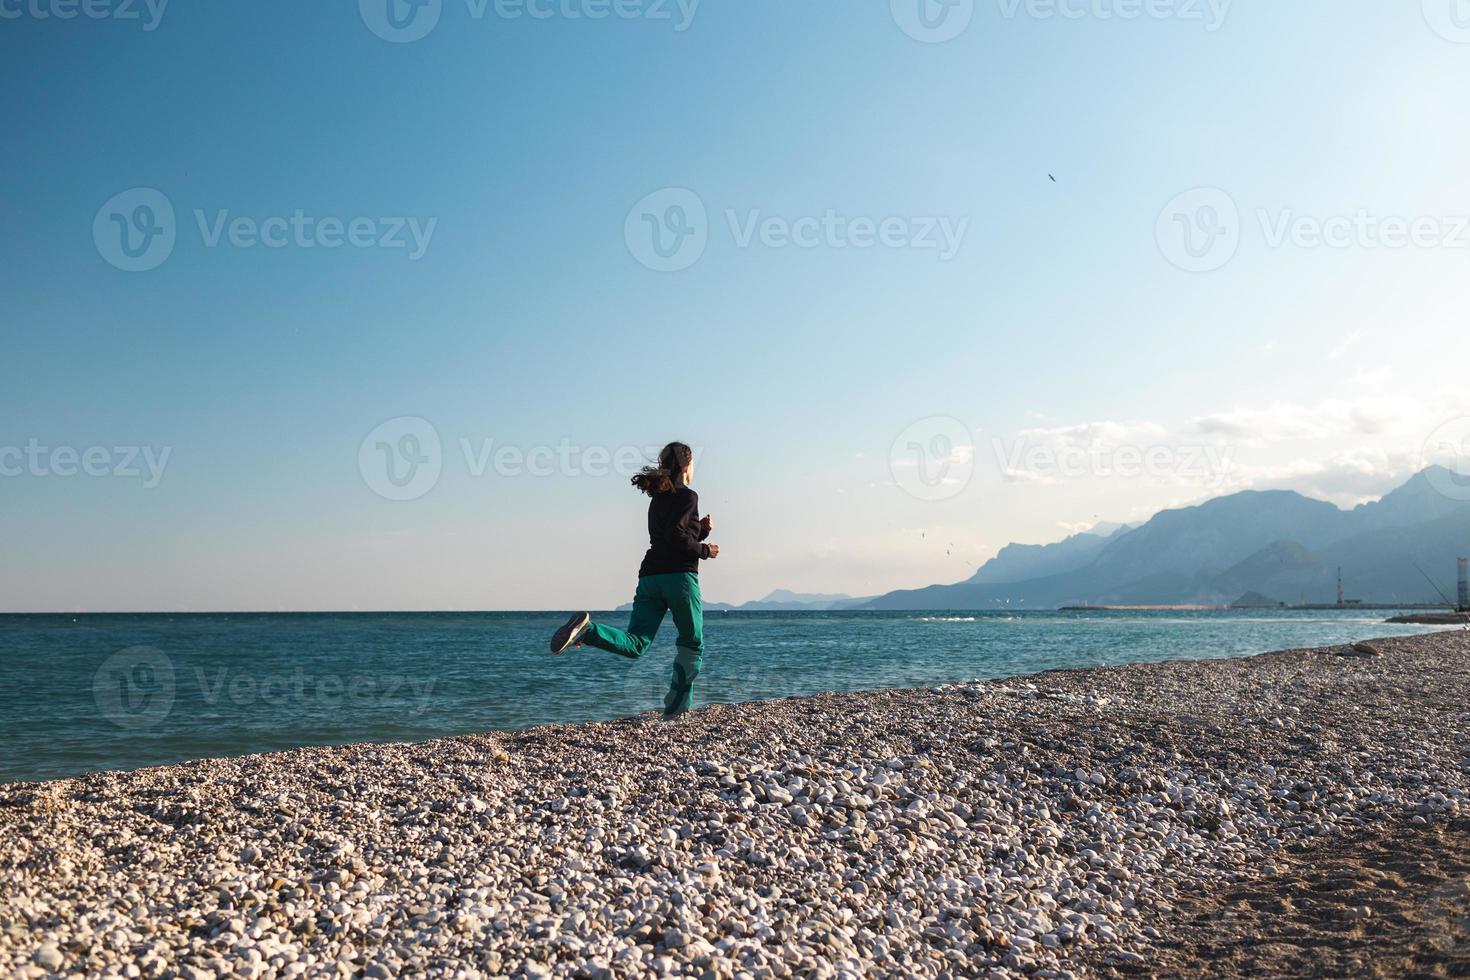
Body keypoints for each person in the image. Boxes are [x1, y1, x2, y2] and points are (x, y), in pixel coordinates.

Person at [549, 441, 720, 718]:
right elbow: (678, 538)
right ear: (687, 466)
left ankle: (588, 631)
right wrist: (705, 550)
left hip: (650, 578)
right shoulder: (689, 496)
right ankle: (676, 709)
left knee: (636, 642)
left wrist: (700, 530)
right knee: (691, 642)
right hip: (680, 580)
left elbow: (670, 536)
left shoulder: (657, 500)